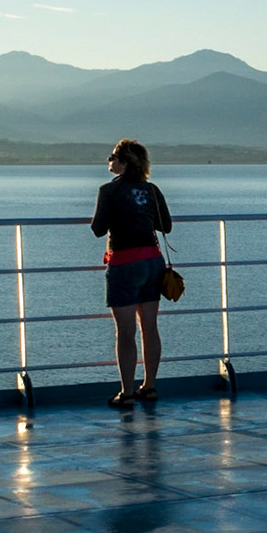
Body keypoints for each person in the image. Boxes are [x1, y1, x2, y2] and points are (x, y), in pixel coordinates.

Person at [89, 138, 172, 407]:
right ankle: (149, 387)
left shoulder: (109, 190)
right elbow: (166, 226)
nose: (109, 160)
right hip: (152, 261)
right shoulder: (151, 190)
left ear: (124, 162)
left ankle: (126, 393)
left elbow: (98, 229)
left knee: (125, 332)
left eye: (113, 156)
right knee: (150, 327)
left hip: (124, 263)